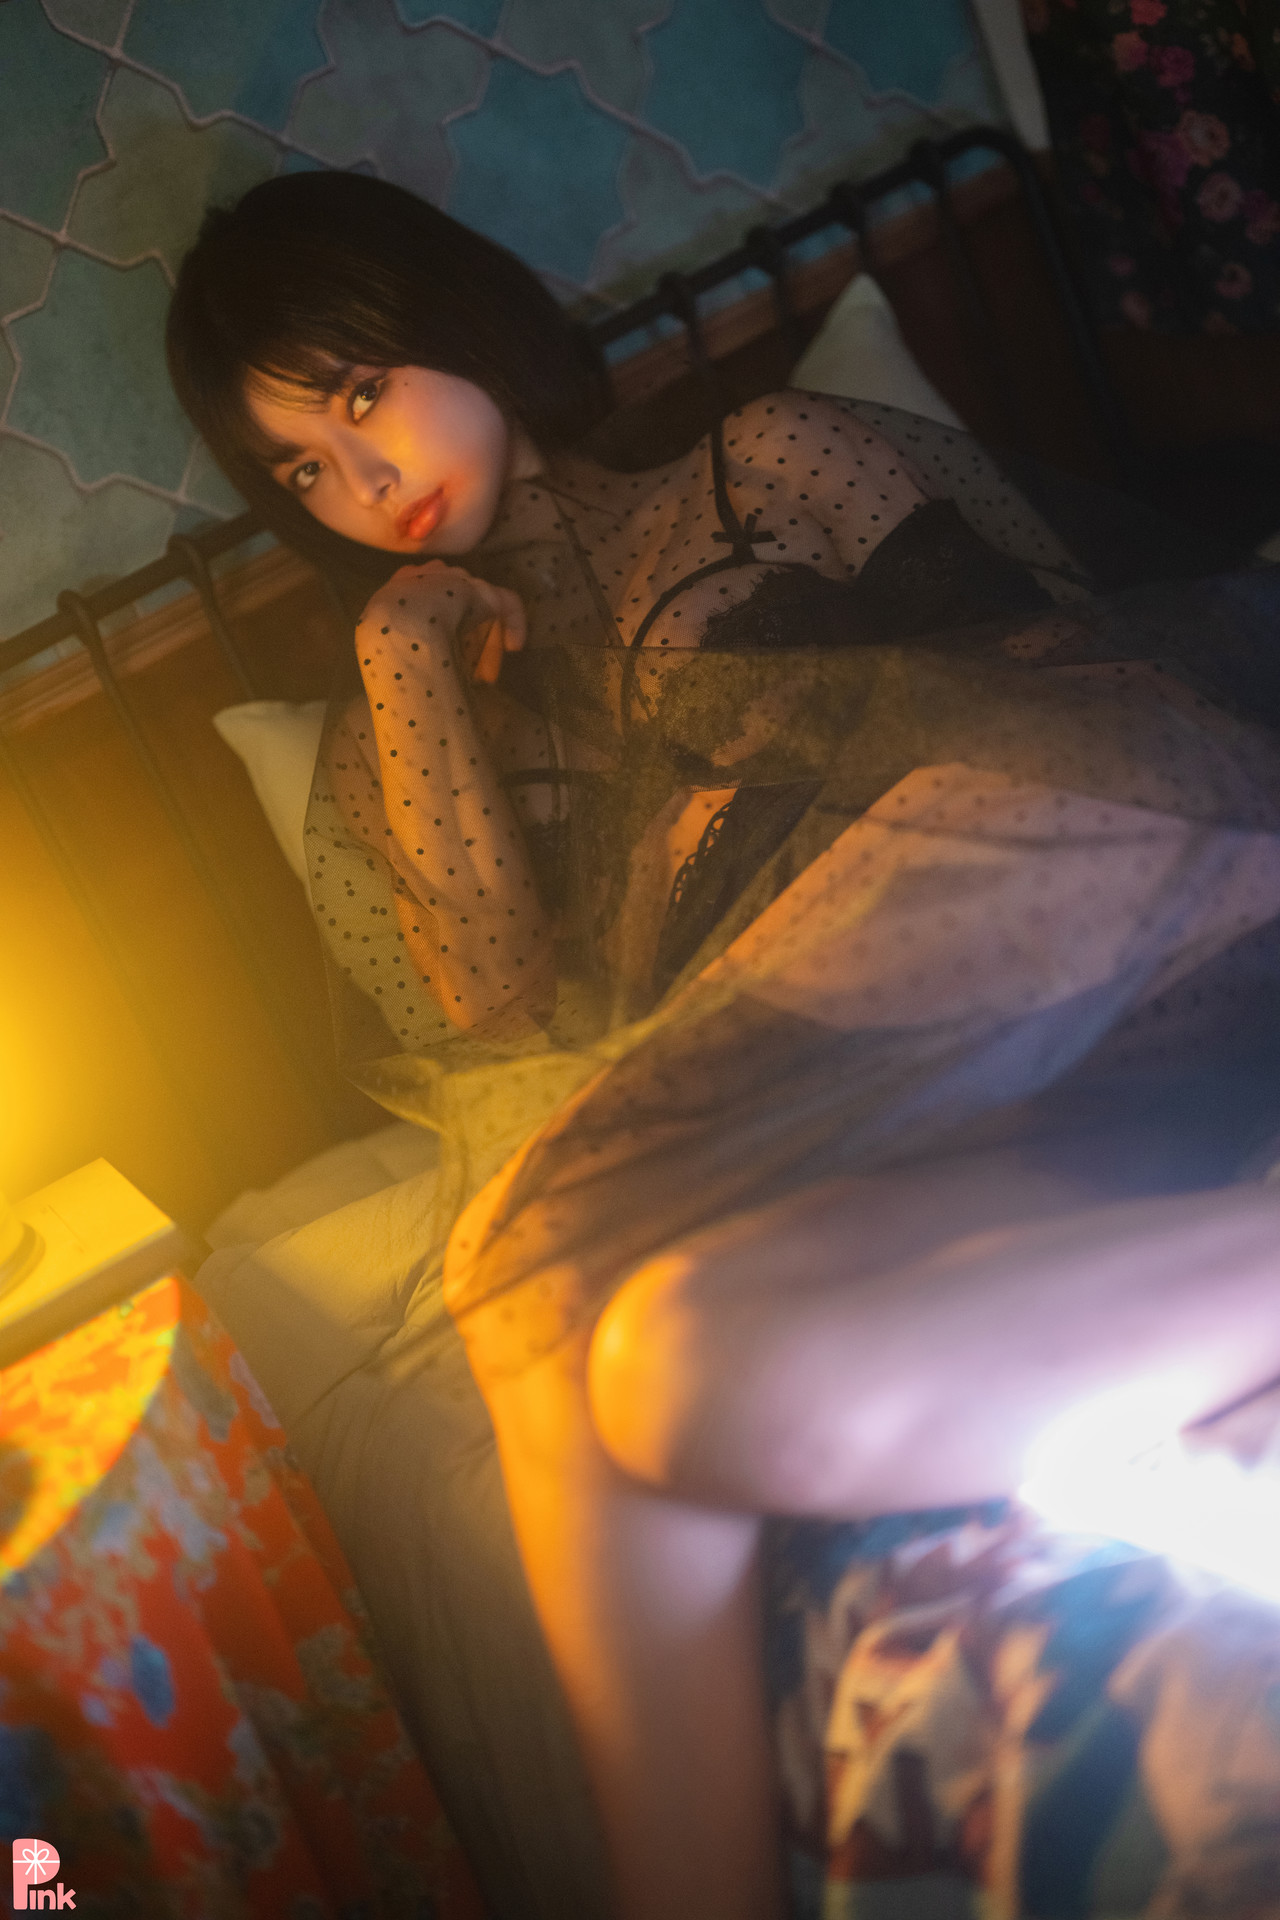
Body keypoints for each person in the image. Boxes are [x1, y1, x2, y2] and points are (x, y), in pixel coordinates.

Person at [169, 171, 1280, 1919]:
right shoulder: (434, 713)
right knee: (641, 1347)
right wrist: (404, 668)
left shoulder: (761, 462)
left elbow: (1097, 666)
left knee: (525, 1244)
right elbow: (499, 1022)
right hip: (919, 1087)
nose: (364, 482)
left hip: (1082, 871)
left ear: (466, 323)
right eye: (302, 469)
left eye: (364, 393)